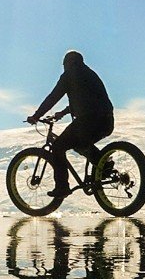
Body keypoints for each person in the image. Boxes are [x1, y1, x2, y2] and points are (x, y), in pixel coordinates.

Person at [26, 50, 114, 198]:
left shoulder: (69, 75)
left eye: (64, 65)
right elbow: (88, 99)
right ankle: (104, 166)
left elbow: (53, 97)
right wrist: (63, 113)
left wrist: (36, 115)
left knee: (58, 147)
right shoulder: (90, 74)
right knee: (79, 143)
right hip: (107, 121)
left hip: (88, 121)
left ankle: (62, 187)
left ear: (68, 63)